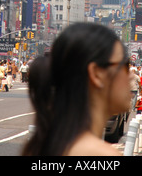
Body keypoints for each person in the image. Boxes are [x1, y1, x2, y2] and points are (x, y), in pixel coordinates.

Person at [22, 22, 132, 156]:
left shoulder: (47, 145)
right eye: (125, 65)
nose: (131, 76)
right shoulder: (100, 154)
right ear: (96, 74)